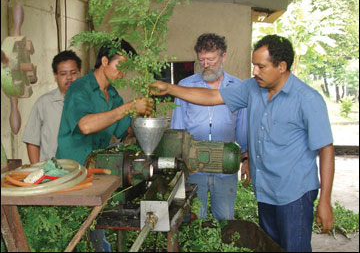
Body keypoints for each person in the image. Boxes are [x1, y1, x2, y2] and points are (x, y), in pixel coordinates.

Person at [150, 34, 335, 252]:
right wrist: (170, 89)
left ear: (282, 66)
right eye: (254, 65)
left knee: (294, 247)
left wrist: (324, 201)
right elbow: (211, 97)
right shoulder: (252, 89)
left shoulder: (307, 99)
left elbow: (326, 150)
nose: (255, 71)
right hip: (265, 190)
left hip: (295, 193)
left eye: (261, 66)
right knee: (271, 246)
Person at [56, 40, 153, 252]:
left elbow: (125, 130)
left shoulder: (113, 95)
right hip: (72, 176)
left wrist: (145, 118)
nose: (123, 74)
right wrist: (129, 107)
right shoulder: (79, 88)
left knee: (94, 232)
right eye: (121, 67)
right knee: (73, 235)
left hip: (95, 176)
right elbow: (86, 125)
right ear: (104, 61)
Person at [171, 33, 249, 220]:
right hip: (193, 166)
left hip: (226, 165)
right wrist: (176, 162)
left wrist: (246, 158)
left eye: (211, 59)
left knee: (225, 219)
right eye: (201, 60)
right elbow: (177, 127)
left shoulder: (238, 87)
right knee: (194, 218)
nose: (206, 65)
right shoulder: (185, 86)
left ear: (223, 57)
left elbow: (243, 127)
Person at [23, 50, 81, 163]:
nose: (69, 77)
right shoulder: (43, 103)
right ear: (55, 76)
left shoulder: (90, 102)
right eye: (63, 74)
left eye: (73, 73)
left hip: (83, 171)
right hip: (51, 173)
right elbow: (32, 141)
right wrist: (38, 171)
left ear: (79, 73)